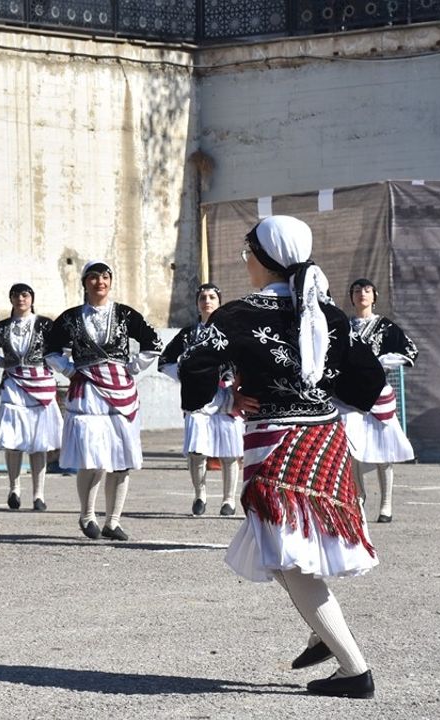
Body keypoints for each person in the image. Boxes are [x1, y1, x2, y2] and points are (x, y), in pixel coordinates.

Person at [179, 216, 385, 699]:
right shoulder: (328, 311)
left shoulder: (237, 316)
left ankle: (354, 671)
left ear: (264, 259)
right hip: (326, 440)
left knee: (288, 555)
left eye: (247, 253)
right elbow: (368, 381)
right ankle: (322, 635)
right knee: (294, 549)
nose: (243, 261)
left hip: (274, 443)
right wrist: (322, 397)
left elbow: (194, 371)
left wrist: (224, 399)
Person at [44, 261, 162, 541]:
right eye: (94, 277)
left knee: (122, 458)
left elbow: (153, 342)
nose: (100, 282)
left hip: (121, 392)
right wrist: (70, 370)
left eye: (105, 277)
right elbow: (50, 350)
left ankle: (113, 520)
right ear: (84, 283)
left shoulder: (124, 314)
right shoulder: (71, 318)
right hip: (87, 392)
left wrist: (132, 367)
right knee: (92, 456)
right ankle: (87, 515)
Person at [159, 283, 243, 517]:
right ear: (197, 303)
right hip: (197, 400)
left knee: (230, 452)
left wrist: (238, 384)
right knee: (197, 450)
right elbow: (164, 361)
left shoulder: (232, 331)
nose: (207, 301)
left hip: (226, 397)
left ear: (219, 302)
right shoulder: (188, 334)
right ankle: (200, 494)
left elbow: (245, 361)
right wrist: (188, 378)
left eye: (212, 297)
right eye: (203, 297)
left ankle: (228, 500)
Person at [338, 278, 417, 523]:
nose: (362, 294)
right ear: (351, 297)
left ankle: (386, 504)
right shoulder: (344, 327)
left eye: (367, 290)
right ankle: (359, 494)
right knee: (350, 447)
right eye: (357, 290)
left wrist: (383, 361)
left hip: (378, 396)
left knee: (385, 448)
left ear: (375, 296)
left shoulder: (385, 326)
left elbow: (410, 350)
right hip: (350, 396)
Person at [0, 283, 62, 511]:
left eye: (25, 295)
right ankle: (14, 488)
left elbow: (62, 349)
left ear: (32, 298)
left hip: (42, 386)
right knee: (13, 441)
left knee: (39, 444)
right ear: (11, 299)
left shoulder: (46, 325)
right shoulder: (2, 327)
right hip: (14, 386)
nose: (21, 299)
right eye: (16, 295)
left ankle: (39, 495)